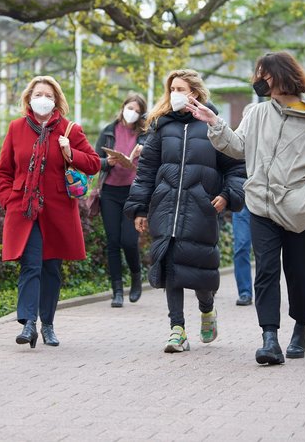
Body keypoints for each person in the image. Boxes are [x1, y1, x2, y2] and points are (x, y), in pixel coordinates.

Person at [189, 51, 305, 365]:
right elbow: (237, 147)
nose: (258, 80)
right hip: (261, 205)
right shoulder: (258, 114)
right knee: (267, 273)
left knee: (300, 275)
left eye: (263, 74)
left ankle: (300, 328)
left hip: (299, 211)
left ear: (280, 76)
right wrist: (215, 122)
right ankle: (269, 338)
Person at [124, 69, 245, 353]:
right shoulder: (160, 125)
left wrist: (227, 195)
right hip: (165, 206)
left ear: (196, 93)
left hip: (200, 208)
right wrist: (140, 208)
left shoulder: (214, 125)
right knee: (170, 267)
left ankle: (207, 308)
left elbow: (236, 168)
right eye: (172, 89)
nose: (175, 94)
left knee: (200, 270)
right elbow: (146, 171)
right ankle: (176, 330)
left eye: (181, 88)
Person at [0, 75, 101, 348]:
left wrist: (70, 153)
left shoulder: (69, 130)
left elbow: (93, 164)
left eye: (49, 95)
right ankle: (28, 324)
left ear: (57, 101)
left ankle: (48, 325)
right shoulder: (16, 128)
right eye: (38, 94)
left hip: (57, 210)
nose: (43, 99)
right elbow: (4, 171)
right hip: (24, 210)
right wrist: (9, 199)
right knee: (30, 264)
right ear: (29, 98)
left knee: (51, 267)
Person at [94, 93, 149, 307]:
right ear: (123, 107)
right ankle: (116, 290)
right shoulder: (109, 131)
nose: (132, 112)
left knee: (128, 240)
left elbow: (154, 159)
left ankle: (136, 276)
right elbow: (93, 160)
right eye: (129, 107)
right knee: (113, 242)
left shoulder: (145, 134)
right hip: (109, 191)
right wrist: (107, 162)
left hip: (133, 193)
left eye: (137, 110)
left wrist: (142, 153)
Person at [232, 206, 254, 306]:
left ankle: (268, 293)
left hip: (264, 201)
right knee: (241, 246)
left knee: (265, 251)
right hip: (243, 203)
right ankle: (245, 292)